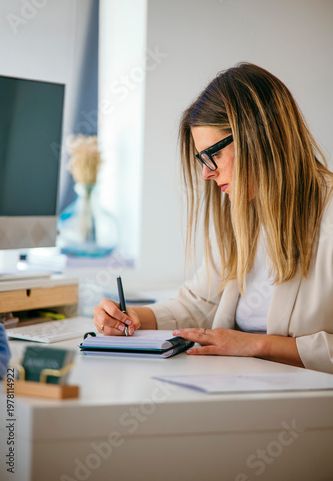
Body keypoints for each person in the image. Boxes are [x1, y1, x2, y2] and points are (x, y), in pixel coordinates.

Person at [94, 63, 333, 374]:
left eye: (214, 155)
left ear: (257, 137)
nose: (207, 173)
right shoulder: (247, 213)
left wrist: (258, 345)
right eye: (202, 160)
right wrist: (130, 316)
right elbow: (198, 304)